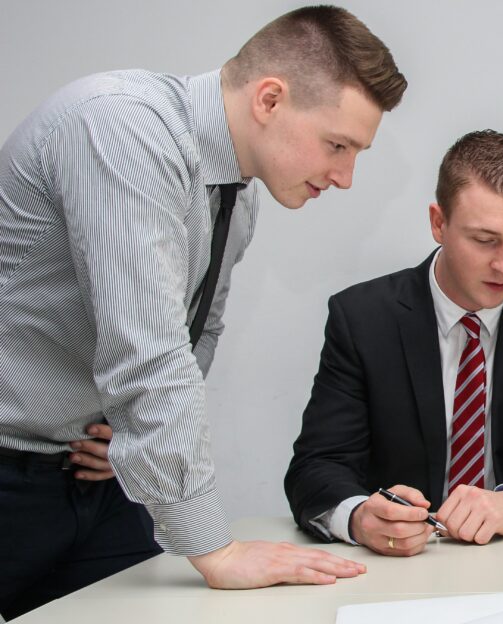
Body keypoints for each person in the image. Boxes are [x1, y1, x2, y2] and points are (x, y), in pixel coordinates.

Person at [0, 6, 408, 618]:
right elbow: (148, 353)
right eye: (337, 145)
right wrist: (215, 547)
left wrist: (130, 439)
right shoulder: (121, 127)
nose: (346, 176)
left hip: (91, 478)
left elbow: (197, 332)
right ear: (269, 99)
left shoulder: (236, 195)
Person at [284, 130, 503, 555]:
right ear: (438, 223)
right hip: (399, 568)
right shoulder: (362, 319)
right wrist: (360, 518)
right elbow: (316, 467)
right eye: (484, 240)